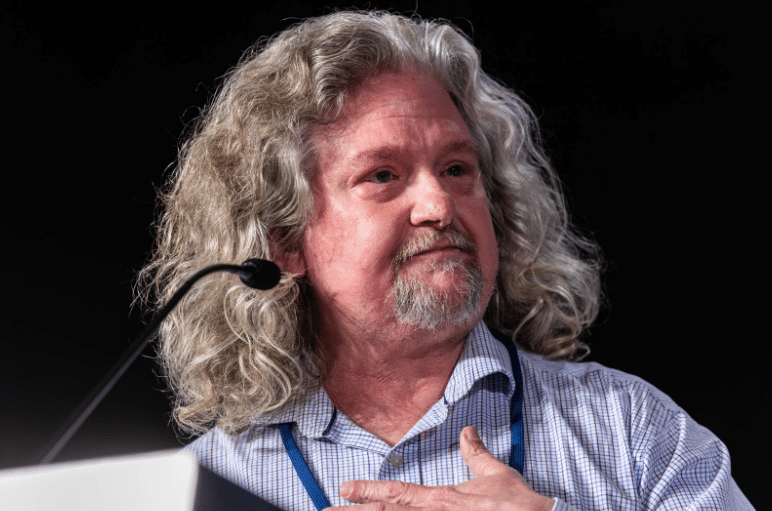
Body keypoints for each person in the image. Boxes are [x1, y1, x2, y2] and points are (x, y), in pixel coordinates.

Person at [139, 11, 752, 511]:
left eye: (457, 169)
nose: (438, 204)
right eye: (383, 175)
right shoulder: (200, 485)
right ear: (283, 243)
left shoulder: (635, 434)